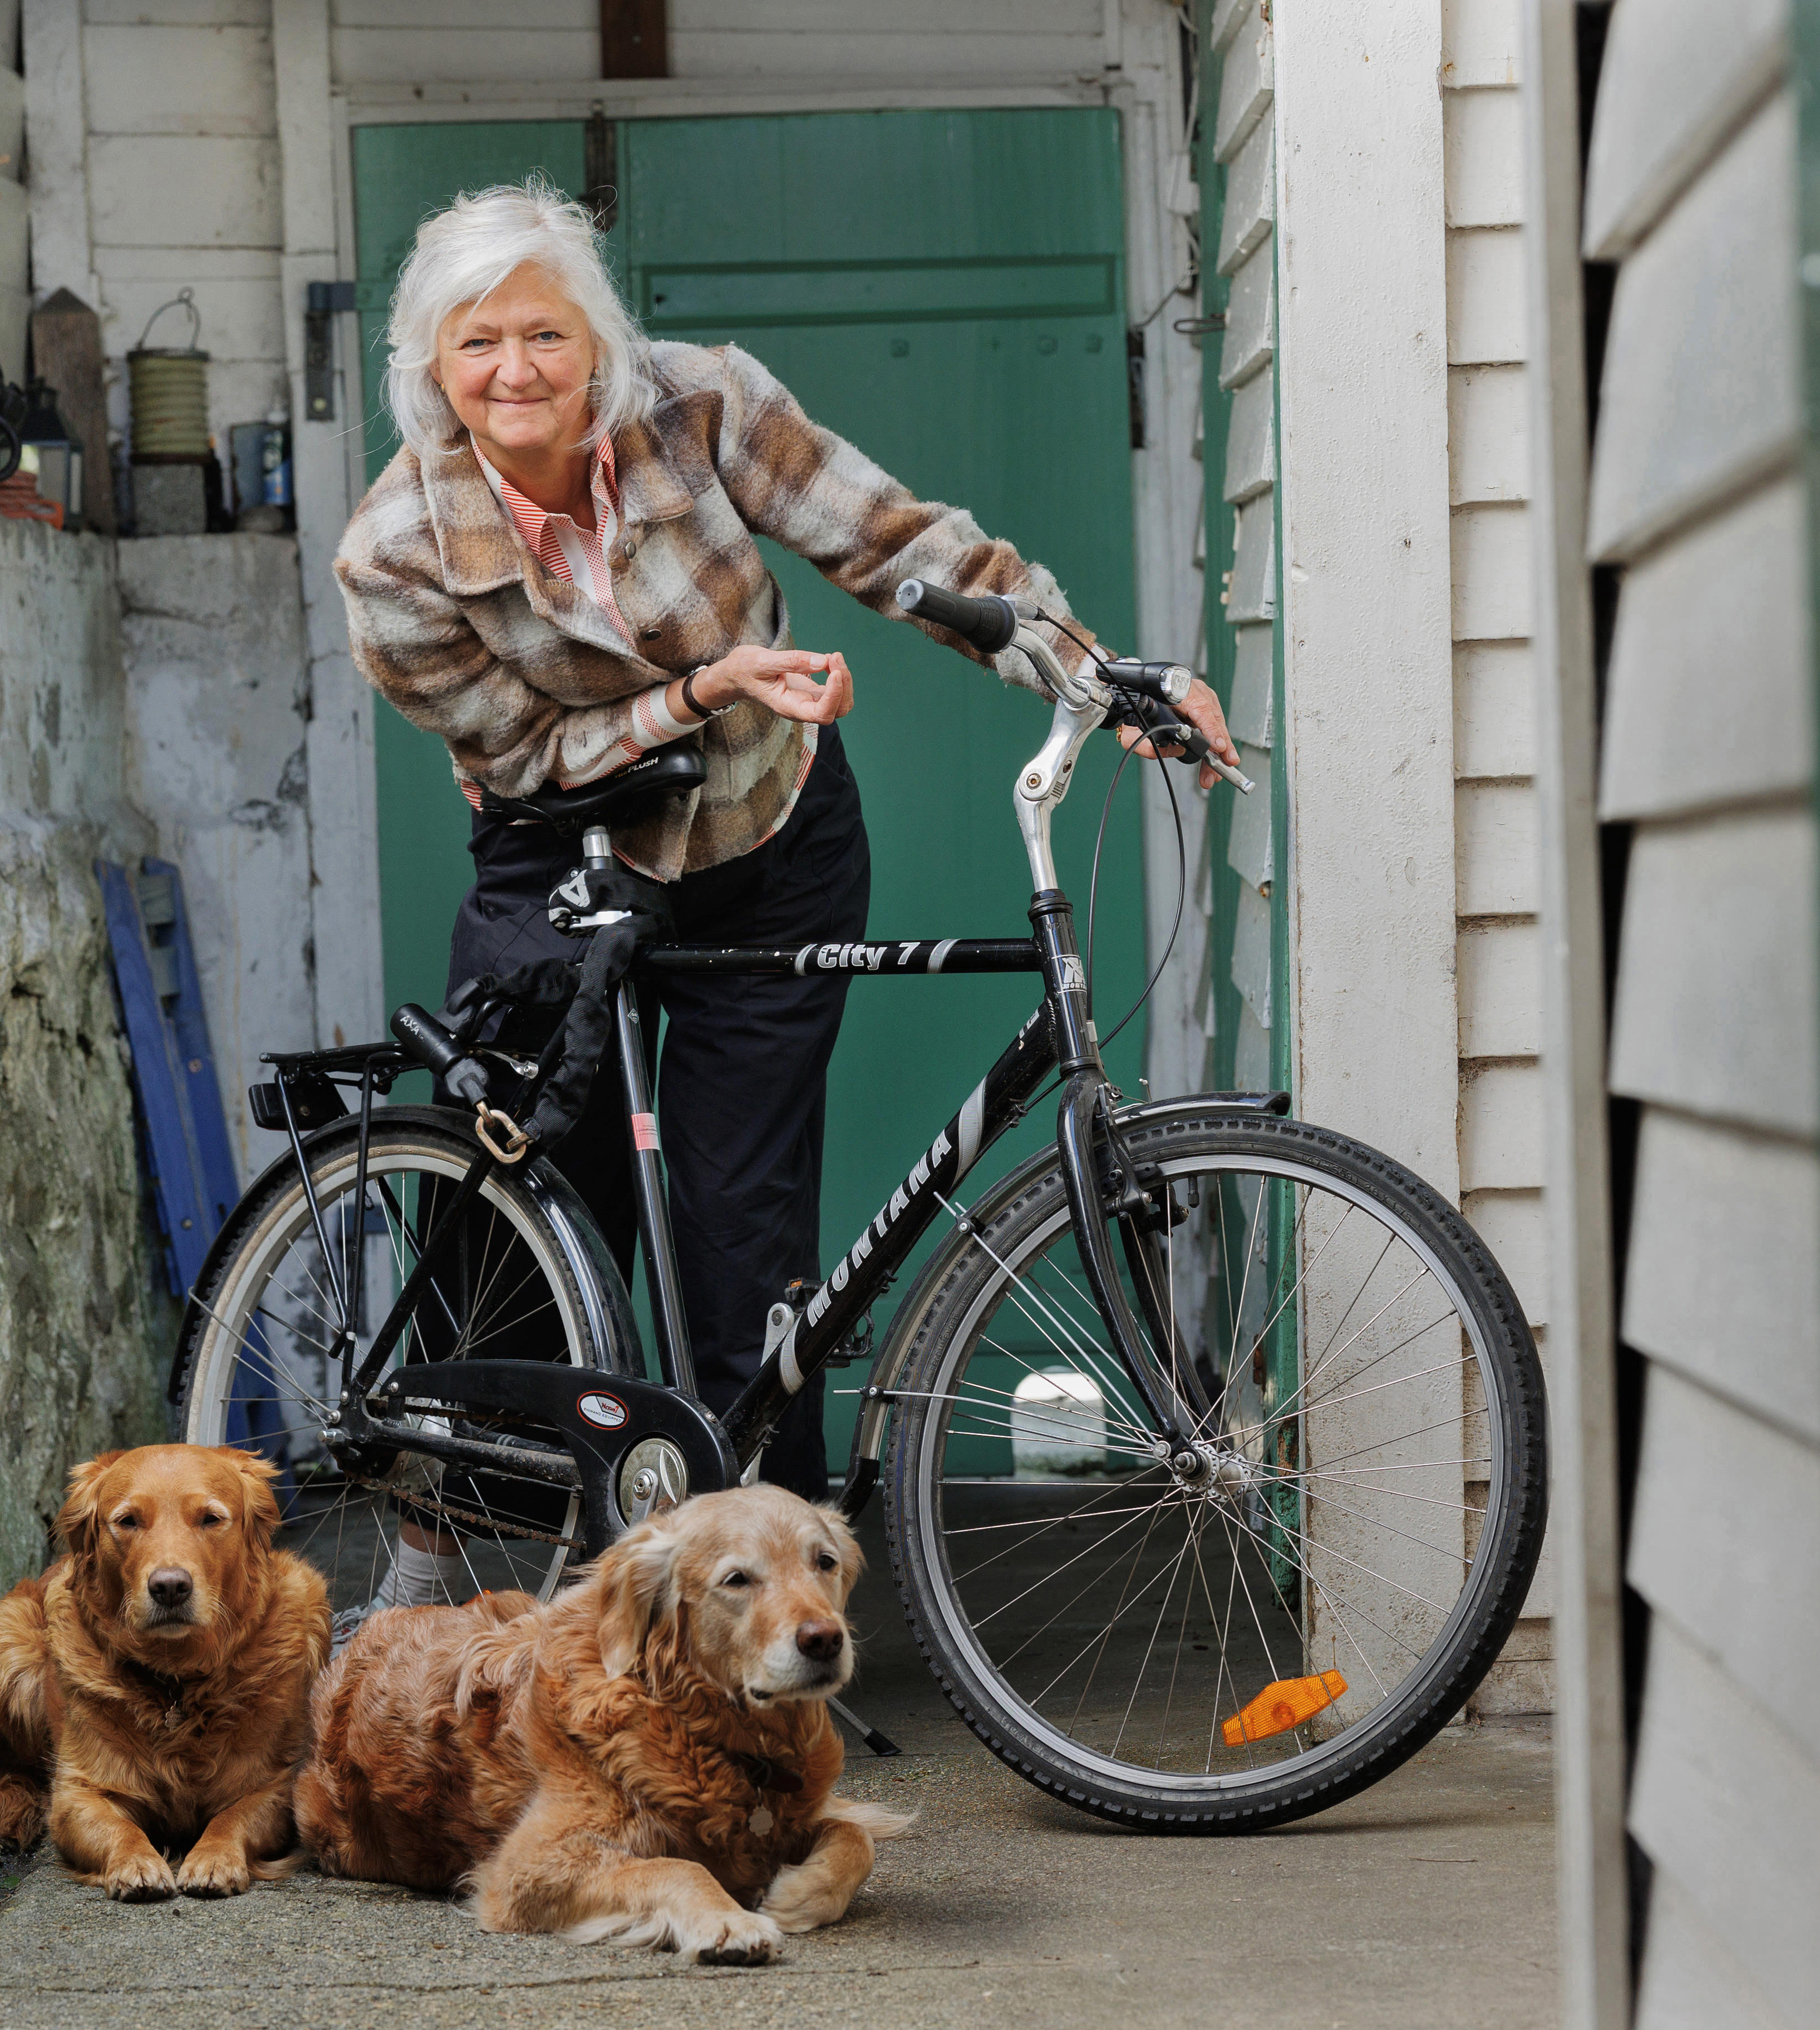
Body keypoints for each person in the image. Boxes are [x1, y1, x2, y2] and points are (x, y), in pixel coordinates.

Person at [332, 179, 1237, 1629]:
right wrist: (697, 689)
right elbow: (514, 756)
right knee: (541, 1203)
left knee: (746, 1232)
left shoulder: (703, 408)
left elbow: (899, 545)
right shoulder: (395, 554)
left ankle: (744, 1599)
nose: (516, 371)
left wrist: (1092, 670)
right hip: (567, 853)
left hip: (769, 831)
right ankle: (436, 1546)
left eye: (546, 335)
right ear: (430, 372)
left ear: (600, 342)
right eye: (477, 342)